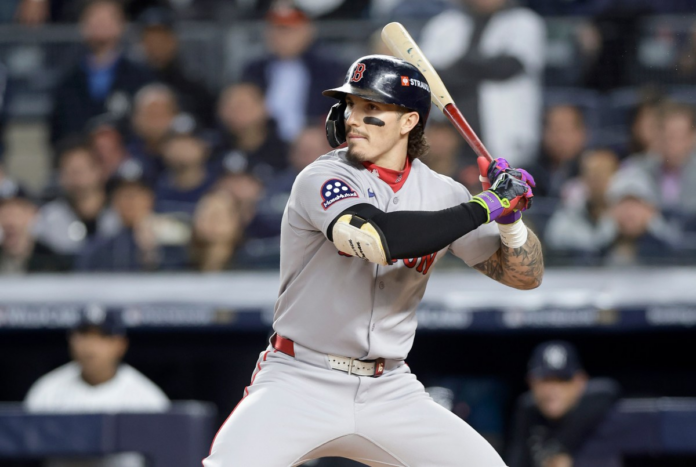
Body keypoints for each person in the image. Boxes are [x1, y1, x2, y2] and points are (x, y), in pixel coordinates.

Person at [204, 54, 542, 466]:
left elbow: (524, 276)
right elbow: (378, 238)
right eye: (350, 105)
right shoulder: (323, 177)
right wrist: (486, 205)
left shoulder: (445, 194)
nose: (353, 119)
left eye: (372, 107)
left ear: (409, 121)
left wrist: (510, 220)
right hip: (300, 378)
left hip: (389, 388)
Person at [25, 307, 170, 467]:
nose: (91, 346)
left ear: (120, 344)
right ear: (71, 340)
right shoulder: (47, 391)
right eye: (84, 335)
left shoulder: (147, 397)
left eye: (102, 336)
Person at [420, 0, 545, 166]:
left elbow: (508, 67)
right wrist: (481, 66)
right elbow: (428, 74)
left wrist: (459, 67)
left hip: (505, 135)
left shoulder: (525, 22)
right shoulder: (444, 23)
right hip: (450, 136)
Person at [49, 0, 152, 147]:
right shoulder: (67, 82)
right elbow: (58, 132)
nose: (100, 23)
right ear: (82, 26)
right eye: (94, 17)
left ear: (122, 25)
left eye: (107, 18)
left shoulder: (140, 77)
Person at [241, 1, 344, 142]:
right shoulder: (254, 70)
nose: (282, 36)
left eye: (290, 29)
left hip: (315, 144)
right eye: (276, 28)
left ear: (308, 30)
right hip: (264, 143)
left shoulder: (330, 70)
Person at [506, 341, 620, 467]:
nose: (553, 389)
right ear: (531, 382)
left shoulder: (598, 409)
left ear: (580, 381)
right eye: (545, 380)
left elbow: (608, 390)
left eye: (562, 380)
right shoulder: (527, 411)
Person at [77, 175, 187, 271]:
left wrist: (151, 253)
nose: (129, 202)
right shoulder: (100, 248)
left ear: (150, 198)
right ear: (114, 201)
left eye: (135, 195)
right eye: (123, 195)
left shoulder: (173, 243)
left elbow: (180, 277)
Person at [33, 140, 121, 258]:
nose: (76, 177)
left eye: (81, 170)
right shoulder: (48, 218)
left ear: (99, 170)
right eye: (69, 171)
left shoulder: (121, 212)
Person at [137, 7, 215, 126]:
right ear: (142, 43)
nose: (156, 44)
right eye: (151, 38)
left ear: (174, 40)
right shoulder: (131, 82)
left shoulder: (193, 87)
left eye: (162, 38)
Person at [544, 149, 619, 259]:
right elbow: (553, 239)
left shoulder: (625, 214)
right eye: (591, 176)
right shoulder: (569, 212)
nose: (597, 183)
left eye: (602, 176)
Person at [213, 82, 288, 181]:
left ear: (263, 108)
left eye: (241, 106)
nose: (233, 112)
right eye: (227, 106)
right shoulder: (211, 150)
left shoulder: (285, 153)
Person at [0, 184, 69, 274]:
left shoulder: (52, 261)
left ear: (33, 213)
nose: (10, 221)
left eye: (16, 214)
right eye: (3, 214)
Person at [528, 105, 588, 198]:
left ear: (581, 133)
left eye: (566, 130)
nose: (560, 138)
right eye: (555, 130)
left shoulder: (590, 173)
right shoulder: (527, 176)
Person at [155, 127, 216, 218]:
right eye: (176, 142)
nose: (181, 149)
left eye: (188, 142)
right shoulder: (153, 183)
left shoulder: (217, 185)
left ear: (204, 147)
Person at [127, 83, 180, 185]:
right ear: (135, 119)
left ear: (176, 115)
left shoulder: (189, 153)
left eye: (161, 114)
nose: (156, 122)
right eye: (150, 114)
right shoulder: (126, 155)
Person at [188, 191, 243, 271]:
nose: (211, 222)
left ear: (236, 220)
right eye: (205, 214)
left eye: (218, 215)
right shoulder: (175, 261)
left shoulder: (254, 264)